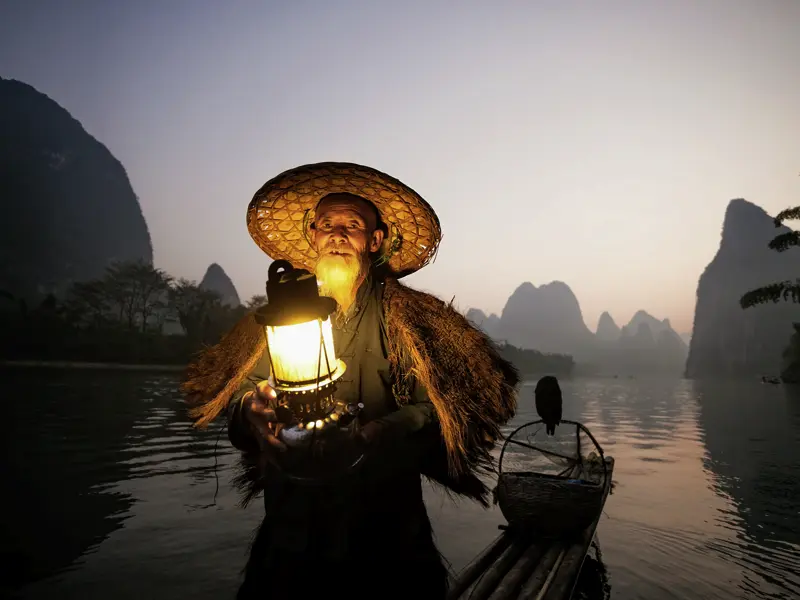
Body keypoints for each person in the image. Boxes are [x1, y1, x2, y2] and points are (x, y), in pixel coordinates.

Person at [181, 163, 520, 600]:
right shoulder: (276, 320)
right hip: (292, 524)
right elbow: (241, 397)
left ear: (374, 240)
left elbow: (443, 409)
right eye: (327, 225)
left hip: (387, 527)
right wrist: (252, 411)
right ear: (313, 237)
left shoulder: (409, 320)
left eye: (352, 226)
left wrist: (378, 432)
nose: (337, 235)